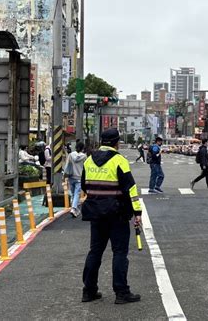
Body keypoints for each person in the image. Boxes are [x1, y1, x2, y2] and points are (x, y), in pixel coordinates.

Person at [81, 128, 142, 304]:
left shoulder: (89, 160)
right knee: (120, 252)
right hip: (117, 214)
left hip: (96, 213)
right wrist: (137, 213)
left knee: (95, 252)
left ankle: (89, 291)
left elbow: (85, 185)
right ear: (117, 142)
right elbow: (130, 189)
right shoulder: (119, 160)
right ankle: (121, 293)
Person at [64, 141, 87, 218]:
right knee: (77, 193)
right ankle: (73, 208)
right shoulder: (84, 156)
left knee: (74, 193)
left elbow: (67, 165)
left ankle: (74, 209)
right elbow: (85, 167)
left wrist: (64, 175)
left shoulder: (70, 155)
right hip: (79, 177)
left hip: (71, 176)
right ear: (82, 148)